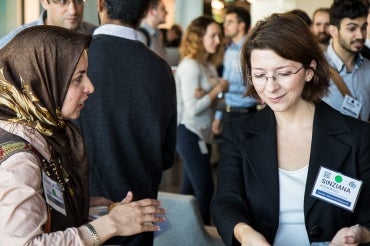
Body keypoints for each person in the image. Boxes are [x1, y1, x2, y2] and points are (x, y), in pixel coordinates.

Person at [211, 13, 370, 246]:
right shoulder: (240, 133)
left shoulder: (357, 136)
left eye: (284, 73)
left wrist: (359, 233)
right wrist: (245, 233)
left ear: (309, 70)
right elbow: (226, 200)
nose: (271, 87)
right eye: (260, 75)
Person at [0, 25, 165, 245]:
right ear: (44, 81)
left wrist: (81, 205)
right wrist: (110, 225)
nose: (90, 87)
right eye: (78, 78)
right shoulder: (21, 162)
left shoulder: (39, 133)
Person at [77, 0, 176, 245]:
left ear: (101, 4)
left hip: (80, 214)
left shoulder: (76, 60)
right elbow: (166, 156)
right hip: (139, 210)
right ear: (144, 11)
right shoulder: (161, 69)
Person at [175, 15, 229, 225]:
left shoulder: (208, 65)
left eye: (219, 35)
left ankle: (182, 234)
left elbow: (219, 103)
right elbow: (194, 108)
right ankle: (202, 235)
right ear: (199, 37)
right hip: (189, 132)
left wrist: (211, 93)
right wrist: (217, 89)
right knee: (205, 188)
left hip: (202, 132)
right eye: (213, 35)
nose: (218, 40)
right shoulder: (190, 66)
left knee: (188, 191)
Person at [212, 6, 258, 135]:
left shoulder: (251, 50)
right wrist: (218, 117)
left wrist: (222, 86)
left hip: (246, 113)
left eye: (230, 22)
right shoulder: (229, 50)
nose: (225, 25)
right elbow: (225, 87)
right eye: (225, 22)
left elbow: (253, 84)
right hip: (228, 112)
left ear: (242, 25)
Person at [323, 0, 370, 121]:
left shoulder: (368, 67)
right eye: (352, 28)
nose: (360, 35)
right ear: (333, 31)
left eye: (364, 28)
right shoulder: (315, 69)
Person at [0, 0, 96, 49]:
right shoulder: (17, 40)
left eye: (78, 0)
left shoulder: (95, 36)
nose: (73, 11)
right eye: (63, 1)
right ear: (44, 2)